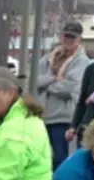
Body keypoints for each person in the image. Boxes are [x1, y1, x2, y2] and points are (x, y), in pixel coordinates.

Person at [35, 21, 90, 169]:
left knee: (60, 158)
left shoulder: (82, 62)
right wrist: (53, 78)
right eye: (66, 36)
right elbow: (35, 80)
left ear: (79, 39)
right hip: (42, 116)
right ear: (61, 36)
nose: (68, 40)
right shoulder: (46, 59)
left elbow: (69, 87)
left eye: (73, 37)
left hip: (63, 118)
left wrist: (45, 85)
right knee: (40, 158)